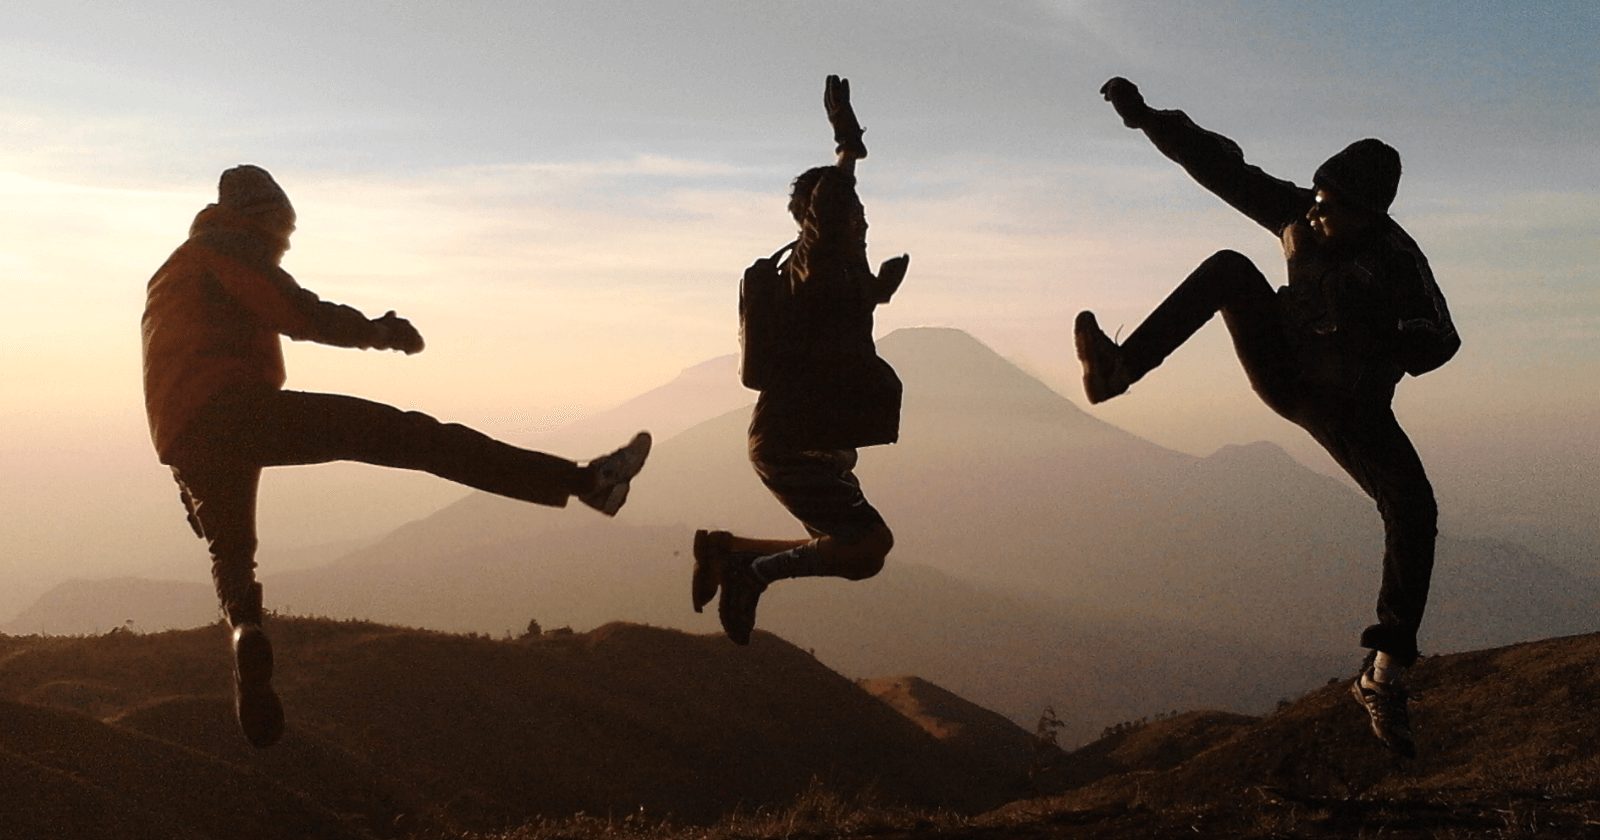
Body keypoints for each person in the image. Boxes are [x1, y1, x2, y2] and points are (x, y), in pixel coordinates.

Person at [142, 165, 651, 748]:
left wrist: (189, 485)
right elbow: (298, 311)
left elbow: (168, 381)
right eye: (282, 233)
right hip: (237, 410)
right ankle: (587, 483)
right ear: (263, 218)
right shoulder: (226, 247)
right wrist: (378, 332)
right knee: (411, 437)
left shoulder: (171, 273)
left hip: (185, 439)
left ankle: (245, 638)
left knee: (231, 554)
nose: (283, 247)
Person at [1076, 78, 1459, 757]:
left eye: (1332, 207)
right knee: (1229, 267)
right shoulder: (1303, 214)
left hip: (1348, 404)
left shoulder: (1397, 262)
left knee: (1413, 508)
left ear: (1370, 215)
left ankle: (1385, 673)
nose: (1316, 214)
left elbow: (1439, 341)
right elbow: (1223, 167)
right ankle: (1119, 370)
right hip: (1285, 371)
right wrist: (1145, 118)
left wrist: (1355, 321)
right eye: (1316, 198)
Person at [691, 76, 910, 645]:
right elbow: (832, 209)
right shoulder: (815, 262)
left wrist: (877, 292)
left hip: (807, 441)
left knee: (858, 553)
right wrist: (846, 148)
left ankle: (730, 552)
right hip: (792, 442)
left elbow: (830, 324)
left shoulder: (825, 278)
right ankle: (748, 571)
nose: (862, 220)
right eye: (854, 212)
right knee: (868, 546)